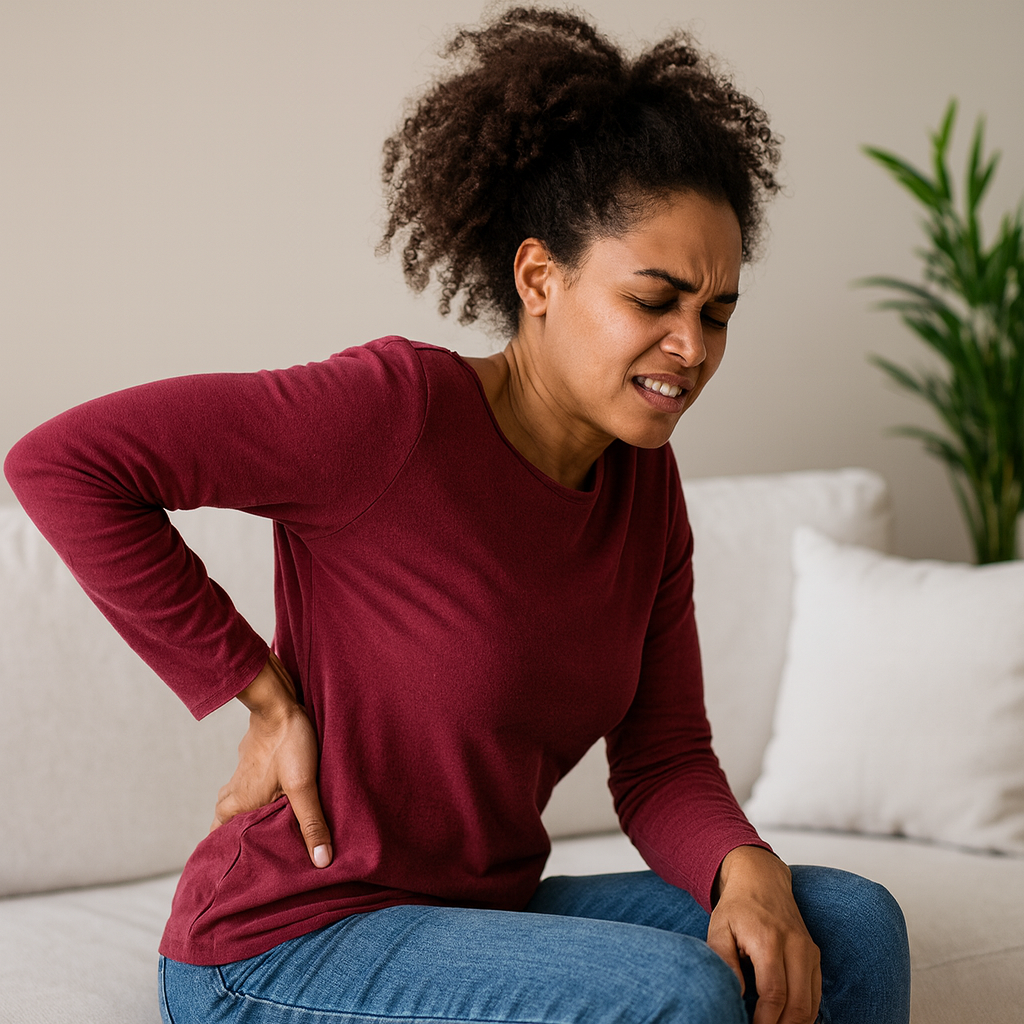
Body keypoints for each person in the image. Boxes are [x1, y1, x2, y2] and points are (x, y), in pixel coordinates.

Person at [4, 7, 911, 1023]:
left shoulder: (642, 486)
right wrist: (255, 689)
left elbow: (660, 758)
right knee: (679, 992)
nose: (690, 347)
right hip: (280, 943)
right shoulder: (391, 415)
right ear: (538, 277)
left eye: (716, 311)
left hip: (475, 910)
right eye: (654, 300)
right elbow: (65, 463)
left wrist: (741, 864)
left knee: (847, 923)